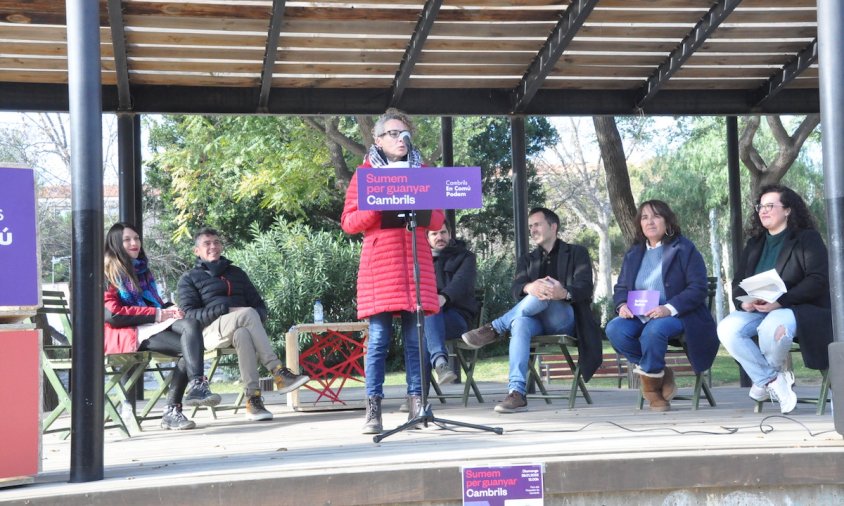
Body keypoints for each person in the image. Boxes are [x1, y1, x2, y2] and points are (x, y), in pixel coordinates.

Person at [341, 108, 445, 434]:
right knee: (379, 340)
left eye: (404, 133)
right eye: (393, 134)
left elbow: (439, 220)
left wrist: (420, 204)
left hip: (416, 266)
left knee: (416, 342)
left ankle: (418, 407)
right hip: (380, 269)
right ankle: (374, 411)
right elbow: (349, 223)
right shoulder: (365, 175)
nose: (400, 139)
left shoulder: (423, 171)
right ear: (378, 139)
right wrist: (377, 203)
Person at [461, 207, 602, 413]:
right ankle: (517, 392)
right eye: (530, 226)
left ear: (553, 227)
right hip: (534, 320)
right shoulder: (527, 259)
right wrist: (530, 287)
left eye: (537, 224)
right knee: (520, 322)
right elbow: (517, 288)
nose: (532, 230)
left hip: (565, 318)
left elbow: (585, 287)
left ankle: (496, 327)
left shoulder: (576, 252)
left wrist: (562, 292)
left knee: (544, 290)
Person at [717, 184, 831, 414]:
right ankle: (772, 380)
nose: (763, 211)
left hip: (796, 308)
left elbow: (818, 279)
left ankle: (764, 379)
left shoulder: (807, 238)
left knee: (772, 327)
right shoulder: (755, 243)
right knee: (727, 328)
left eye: (770, 206)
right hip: (757, 308)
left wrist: (781, 301)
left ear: (788, 210)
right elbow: (738, 282)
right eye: (760, 206)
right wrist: (743, 302)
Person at [177, 227, 310, 422]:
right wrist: (226, 310)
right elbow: (189, 316)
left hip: (239, 328)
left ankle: (253, 400)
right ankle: (278, 371)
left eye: (216, 242)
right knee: (247, 313)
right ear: (197, 251)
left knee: (243, 334)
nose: (213, 246)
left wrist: (256, 317)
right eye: (207, 243)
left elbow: (259, 306)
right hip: (208, 333)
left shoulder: (237, 273)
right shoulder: (189, 279)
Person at [103, 222, 221, 431]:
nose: (134, 243)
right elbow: (114, 315)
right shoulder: (107, 271)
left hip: (149, 324)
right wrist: (159, 313)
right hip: (126, 331)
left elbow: (154, 303)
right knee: (190, 346)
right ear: (115, 244)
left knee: (191, 328)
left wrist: (170, 309)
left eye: (137, 238)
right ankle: (179, 403)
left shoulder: (141, 270)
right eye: (127, 239)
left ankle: (193, 390)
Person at [604, 200, 718, 411]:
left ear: (667, 221)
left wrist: (668, 308)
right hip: (639, 315)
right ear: (639, 224)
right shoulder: (634, 253)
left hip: (678, 315)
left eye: (656, 216)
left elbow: (698, 287)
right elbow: (621, 287)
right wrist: (621, 305)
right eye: (645, 217)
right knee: (614, 329)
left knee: (653, 330)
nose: (650, 222)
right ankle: (659, 373)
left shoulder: (684, 248)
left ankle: (652, 392)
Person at [425, 222, 479, 385]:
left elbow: (461, 282)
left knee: (426, 318)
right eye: (434, 234)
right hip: (429, 320)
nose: (439, 237)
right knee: (420, 331)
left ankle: (417, 394)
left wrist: (444, 297)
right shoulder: (420, 260)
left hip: (458, 320)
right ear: (427, 238)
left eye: (443, 233)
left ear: (450, 234)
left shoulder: (465, 257)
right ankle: (440, 363)